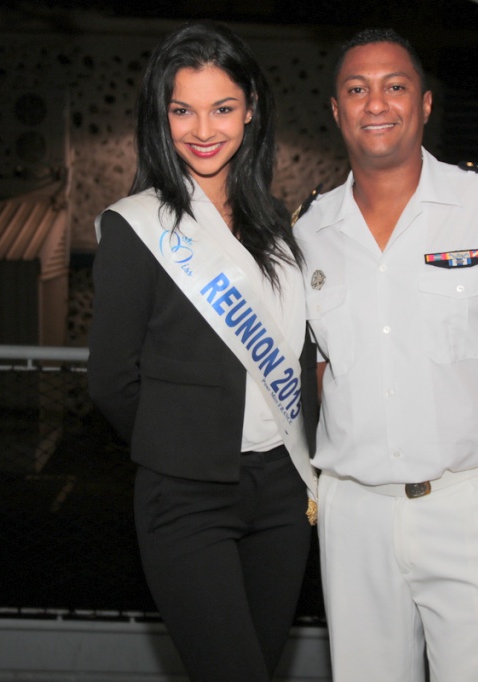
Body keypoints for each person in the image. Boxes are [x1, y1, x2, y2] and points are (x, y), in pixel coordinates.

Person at [294, 28, 478, 681]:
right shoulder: (308, 230)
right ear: (336, 110)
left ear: (424, 104)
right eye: (357, 89)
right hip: (354, 514)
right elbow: (318, 370)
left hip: (473, 507)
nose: (376, 103)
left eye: (394, 86)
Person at [87, 21, 318, 682]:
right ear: (161, 117)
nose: (202, 129)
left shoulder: (279, 228)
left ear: (250, 110)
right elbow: (111, 381)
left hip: (283, 494)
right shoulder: (138, 227)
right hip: (186, 495)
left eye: (221, 108)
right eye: (182, 110)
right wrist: (176, 446)